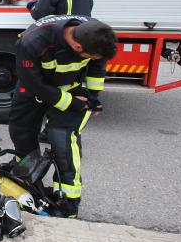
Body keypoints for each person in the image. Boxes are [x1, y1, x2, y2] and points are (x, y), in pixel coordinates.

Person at [8, 15, 117, 217]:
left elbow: (97, 65)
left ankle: (68, 203)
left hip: (71, 88)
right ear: (77, 47)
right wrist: (69, 102)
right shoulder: (33, 42)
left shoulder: (91, 31)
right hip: (33, 88)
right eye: (91, 56)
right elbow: (33, 83)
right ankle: (29, 184)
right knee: (21, 134)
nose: (94, 59)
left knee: (62, 141)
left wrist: (93, 97)